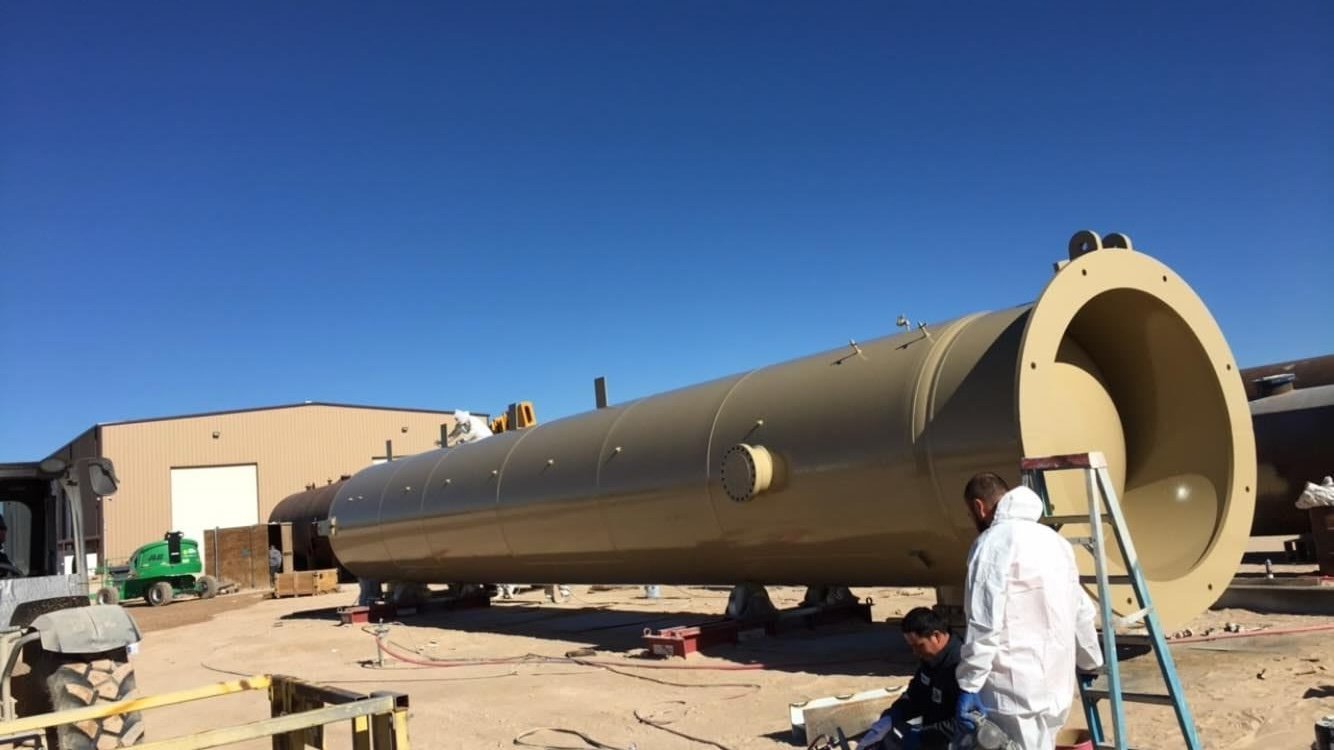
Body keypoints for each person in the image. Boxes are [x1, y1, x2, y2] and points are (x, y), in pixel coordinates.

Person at [954, 473, 1103, 749]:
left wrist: (969, 684)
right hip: (1056, 686)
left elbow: (984, 623)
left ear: (979, 507)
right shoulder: (1056, 543)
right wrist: (1090, 659)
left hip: (1011, 692)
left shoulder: (992, 543)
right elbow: (1080, 608)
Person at [858, 607, 960, 749]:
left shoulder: (962, 666)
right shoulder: (930, 660)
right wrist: (893, 715)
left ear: (936, 636)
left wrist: (920, 736)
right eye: (911, 647)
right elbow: (915, 695)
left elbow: (963, 722)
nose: (915, 653)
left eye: (919, 646)